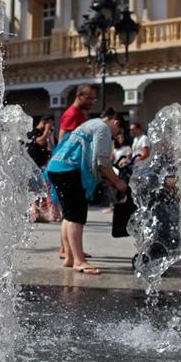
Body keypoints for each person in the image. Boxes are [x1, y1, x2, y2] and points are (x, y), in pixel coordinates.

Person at [45, 109, 128, 275]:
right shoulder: (103, 128)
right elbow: (102, 162)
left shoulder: (90, 124)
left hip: (56, 167)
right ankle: (79, 261)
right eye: (117, 134)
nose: (114, 137)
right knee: (77, 215)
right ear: (116, 123)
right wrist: (119, 183)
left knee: (69, 215)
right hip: (69, 170)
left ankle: (69, 257)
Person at [55, 85, 97, 257]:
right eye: (90, 98)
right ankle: (68, 251)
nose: (93, 102)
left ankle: (68, 249)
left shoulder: (79, 114)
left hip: (68, 166)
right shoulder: (72, 114)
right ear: (79, 96)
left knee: (69, 212)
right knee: (73, 213)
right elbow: (64, 137)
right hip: (68, 166)